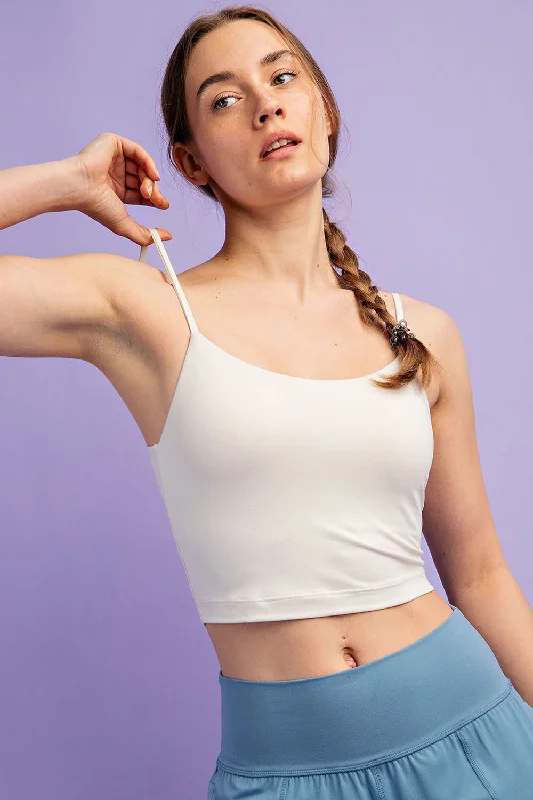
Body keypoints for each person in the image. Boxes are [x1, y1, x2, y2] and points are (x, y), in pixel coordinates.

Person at [1, 5, 533, 799]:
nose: (265, 104)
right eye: (223, 98)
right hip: (285, 775)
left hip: (480, 735)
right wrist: (64, 182)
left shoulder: (418, 332)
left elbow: (482, 575)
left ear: (324, 110)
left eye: (283, 77)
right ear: (190, 162)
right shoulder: (148, 313)